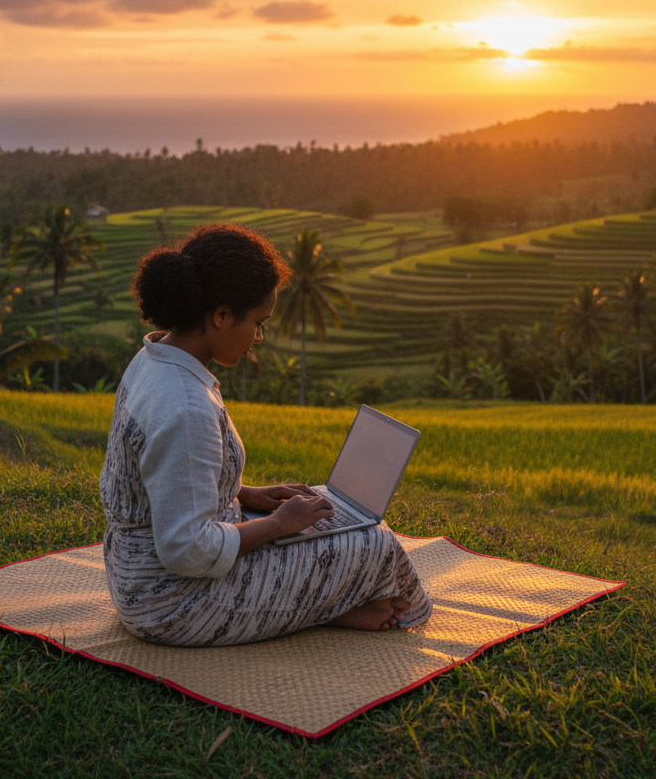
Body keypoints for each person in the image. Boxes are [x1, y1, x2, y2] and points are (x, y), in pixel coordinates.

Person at [100, 222, 432, 647]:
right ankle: (338, 606)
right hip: (173, 604)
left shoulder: (152, 360)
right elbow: (187, 551)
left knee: (323, 513)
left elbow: (168, 481)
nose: (259, 337)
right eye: (258, 322)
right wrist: (276, 524)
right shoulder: (185, 405)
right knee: (375, 542)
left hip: (134, 575)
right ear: (221, 315)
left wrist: (245, 494)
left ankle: (329, 604)